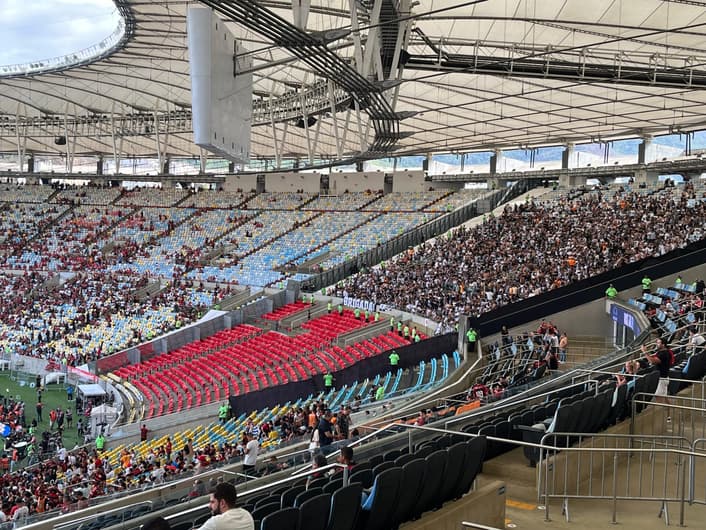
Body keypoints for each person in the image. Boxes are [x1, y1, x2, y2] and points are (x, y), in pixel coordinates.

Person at [642, 337, 672, 420]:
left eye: (658, 343)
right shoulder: (664, 352)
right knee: (665, 398)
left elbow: (653, 361)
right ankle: (668, 417)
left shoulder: (663, 353)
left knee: (659, 399)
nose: (657, 344)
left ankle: (661, 420)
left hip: (661, 379)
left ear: (663, 344)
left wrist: (645, 352)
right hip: (664, 378)